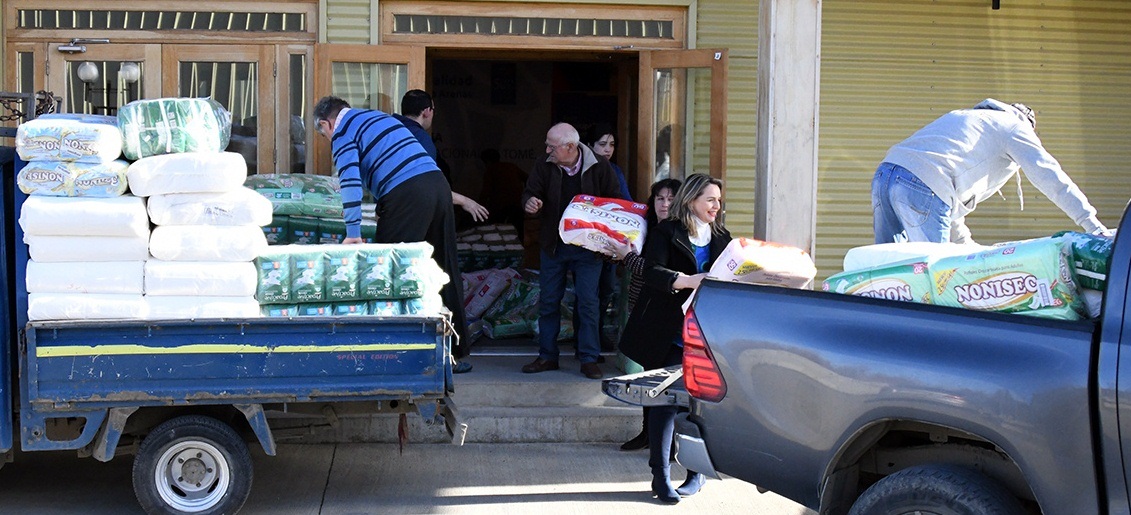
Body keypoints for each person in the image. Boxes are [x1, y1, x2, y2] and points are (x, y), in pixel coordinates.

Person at [312, 95, 472, 372]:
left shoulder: (344, 131)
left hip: (407, 194)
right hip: (438, 187)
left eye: (324, 133)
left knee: (390, 274)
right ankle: (453, 353)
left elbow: (349, 180)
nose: (328, 140)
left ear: (327, 123)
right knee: (443, 268)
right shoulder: (379, 117)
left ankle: (397, 355)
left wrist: (353, 232)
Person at [608, 173, 729, 503]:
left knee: (698, 408)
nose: (716, 206)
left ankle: (696, 474)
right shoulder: (666, 233)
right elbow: (651, 272)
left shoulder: (724, 240)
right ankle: (660, 476)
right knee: (663, 404)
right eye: (710, 199)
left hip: (705, 336)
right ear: (691, 201)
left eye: (718, 200)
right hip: (668, 332)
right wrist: (689, 280)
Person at [872, 98, 1107, 244]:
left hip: (885, 174)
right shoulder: (1015, 128)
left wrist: (968, 248)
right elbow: (1050, 176)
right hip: (921, 184)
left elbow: (942, 193)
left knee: (887, 271)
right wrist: (1092, 225)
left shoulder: (971, 118)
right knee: (931, 274)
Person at [520, 122, 624, 380]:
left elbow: (616, 203)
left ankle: (588, 358)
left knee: (588, 302)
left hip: (588, 248)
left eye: (552, 146)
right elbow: (529, 193)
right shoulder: (544, 165)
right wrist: (530, 203)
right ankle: (547, 356)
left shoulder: (600, 166)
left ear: (570, 147)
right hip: (554, 245)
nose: (547, 150)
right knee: (548, 301)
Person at [609, 178, 681, 452]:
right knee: (647, 377)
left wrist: (627, 257)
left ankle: (665, 441)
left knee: (665, 381)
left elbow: (655, 272)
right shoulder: (646, 227)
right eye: (659, 198)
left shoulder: (677, 234)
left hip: (665, 315)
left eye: (670, 199)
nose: (664, 204)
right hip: (642, 309)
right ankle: (647, 433)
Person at [394, 89, 490, 225]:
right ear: (427, 111)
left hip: (387, 212)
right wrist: (464, 201)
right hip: (409, 216)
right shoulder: (420, 139)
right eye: (433, 110)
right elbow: (428, 184)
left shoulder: (389, 132)